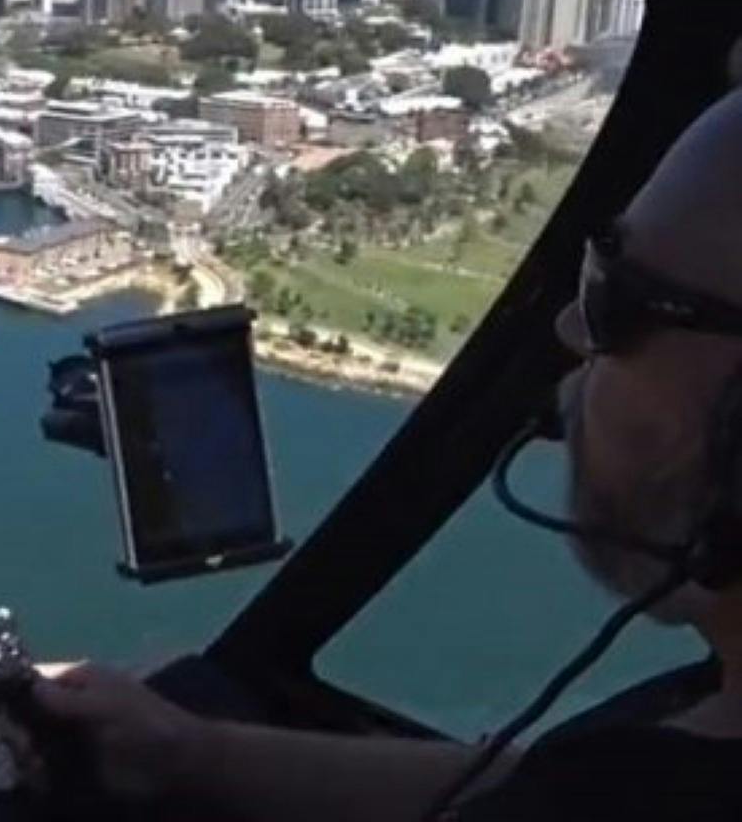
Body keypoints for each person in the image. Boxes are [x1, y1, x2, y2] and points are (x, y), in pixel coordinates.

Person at [37, 87, 742, 821]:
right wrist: (187, 751)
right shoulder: (695, 716)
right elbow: (540, 781)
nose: (568, 325)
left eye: (616, 297)